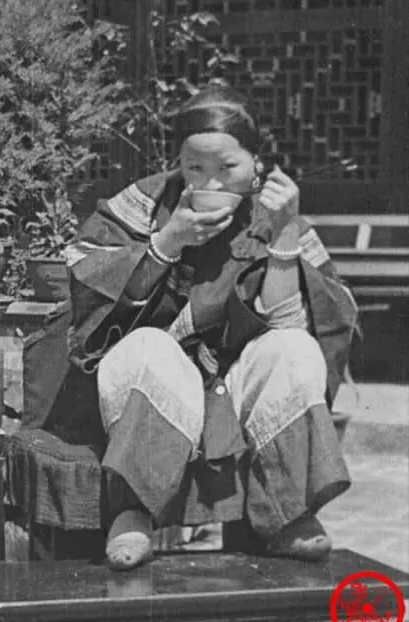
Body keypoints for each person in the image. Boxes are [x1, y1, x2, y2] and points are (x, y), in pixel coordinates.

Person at [62, 84, 357, 570]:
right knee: (146, 346)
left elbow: (289, 323)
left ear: (256, 163)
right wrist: (167, 242)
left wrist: (284, 232)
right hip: (161, 387)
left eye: (228, 168)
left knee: (293, 349)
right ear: (177, 162)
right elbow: (95, 298)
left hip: (237, 389)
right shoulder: (145, 204)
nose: (211, 182)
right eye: (194, 168)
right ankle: (132, 511)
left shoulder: (276, 211)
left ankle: (288, 514)